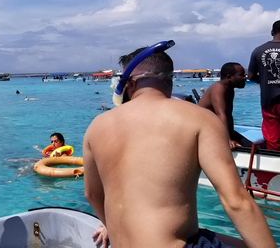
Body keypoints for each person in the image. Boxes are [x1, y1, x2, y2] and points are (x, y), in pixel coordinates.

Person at [83, 42, 275, 248]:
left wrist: (109, 226)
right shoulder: (199, 118)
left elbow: (92, 195)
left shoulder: (96, 127)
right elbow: (237, 202)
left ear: (129, 84)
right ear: (170, 80)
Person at [198, 62, 252, 149]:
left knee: (253, 147)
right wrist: (227, 140)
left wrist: (230, 135)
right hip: (205, 133)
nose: (245, 77)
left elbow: (228, 115)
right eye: (242, 75)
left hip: (219, 131)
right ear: (229, 77)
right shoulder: (218, 88)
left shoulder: (230, 90)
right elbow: (221, 114)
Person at [248, 20, 280, 151]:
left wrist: (265, 82)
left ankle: (272, 168)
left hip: (269, 99)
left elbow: (250, 76)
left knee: (273, 137)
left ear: (272, 32)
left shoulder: (258, 50)